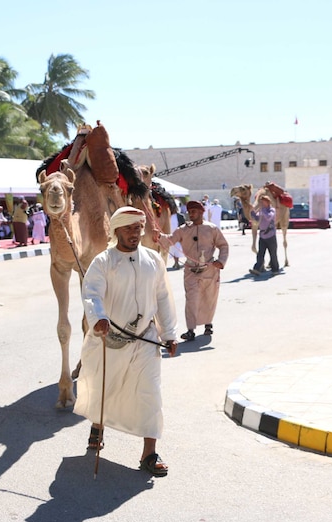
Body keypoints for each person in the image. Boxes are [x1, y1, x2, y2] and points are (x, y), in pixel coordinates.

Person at [74, 206, 178, 477]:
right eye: (130, 228)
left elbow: (164, 298)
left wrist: (169, 334)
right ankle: (98, 423)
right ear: (116, 230)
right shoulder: (103, 261)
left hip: (145, 339)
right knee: (104, 387)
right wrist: (98, 317)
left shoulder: (154, 260)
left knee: (150, 393)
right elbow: (91, 293)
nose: (136, 233)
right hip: (110, 339)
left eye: (139, 228)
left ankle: (149, 453)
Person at [155, 200, 229, 341]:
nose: (191, 214)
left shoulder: (212, 229)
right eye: (189, 212)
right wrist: (158, 236)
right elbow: (170, 240)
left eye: (194, 212)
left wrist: (221, 261)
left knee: (209, 298)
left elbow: (223, 245)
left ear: (201, 212)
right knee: (191, 300)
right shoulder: (183, 229)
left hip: (209, 270)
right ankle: (190, 330)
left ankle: (208, 324)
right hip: (190, 271)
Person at [249, 195, 280, 275]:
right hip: (262, 235)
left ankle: (275, 269)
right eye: (261, 202)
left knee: (272, 253)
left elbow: (269, 217)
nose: (262, 203)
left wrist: (262, 212)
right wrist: (252, 212)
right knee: (260, 253)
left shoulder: (272, 210)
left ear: (267, 202)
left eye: (263, 202)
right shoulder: (261, 211)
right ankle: (257, 269)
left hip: (271, 235)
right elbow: (256, 218)